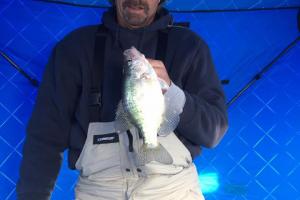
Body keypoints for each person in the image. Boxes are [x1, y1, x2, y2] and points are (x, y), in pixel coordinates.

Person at [17, 0, 228, 199]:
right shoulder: (74, 48)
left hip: (174, 189)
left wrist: (174, 93)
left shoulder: (190, 47)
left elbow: (214, 132)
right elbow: (45, 134)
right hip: (99, 191)